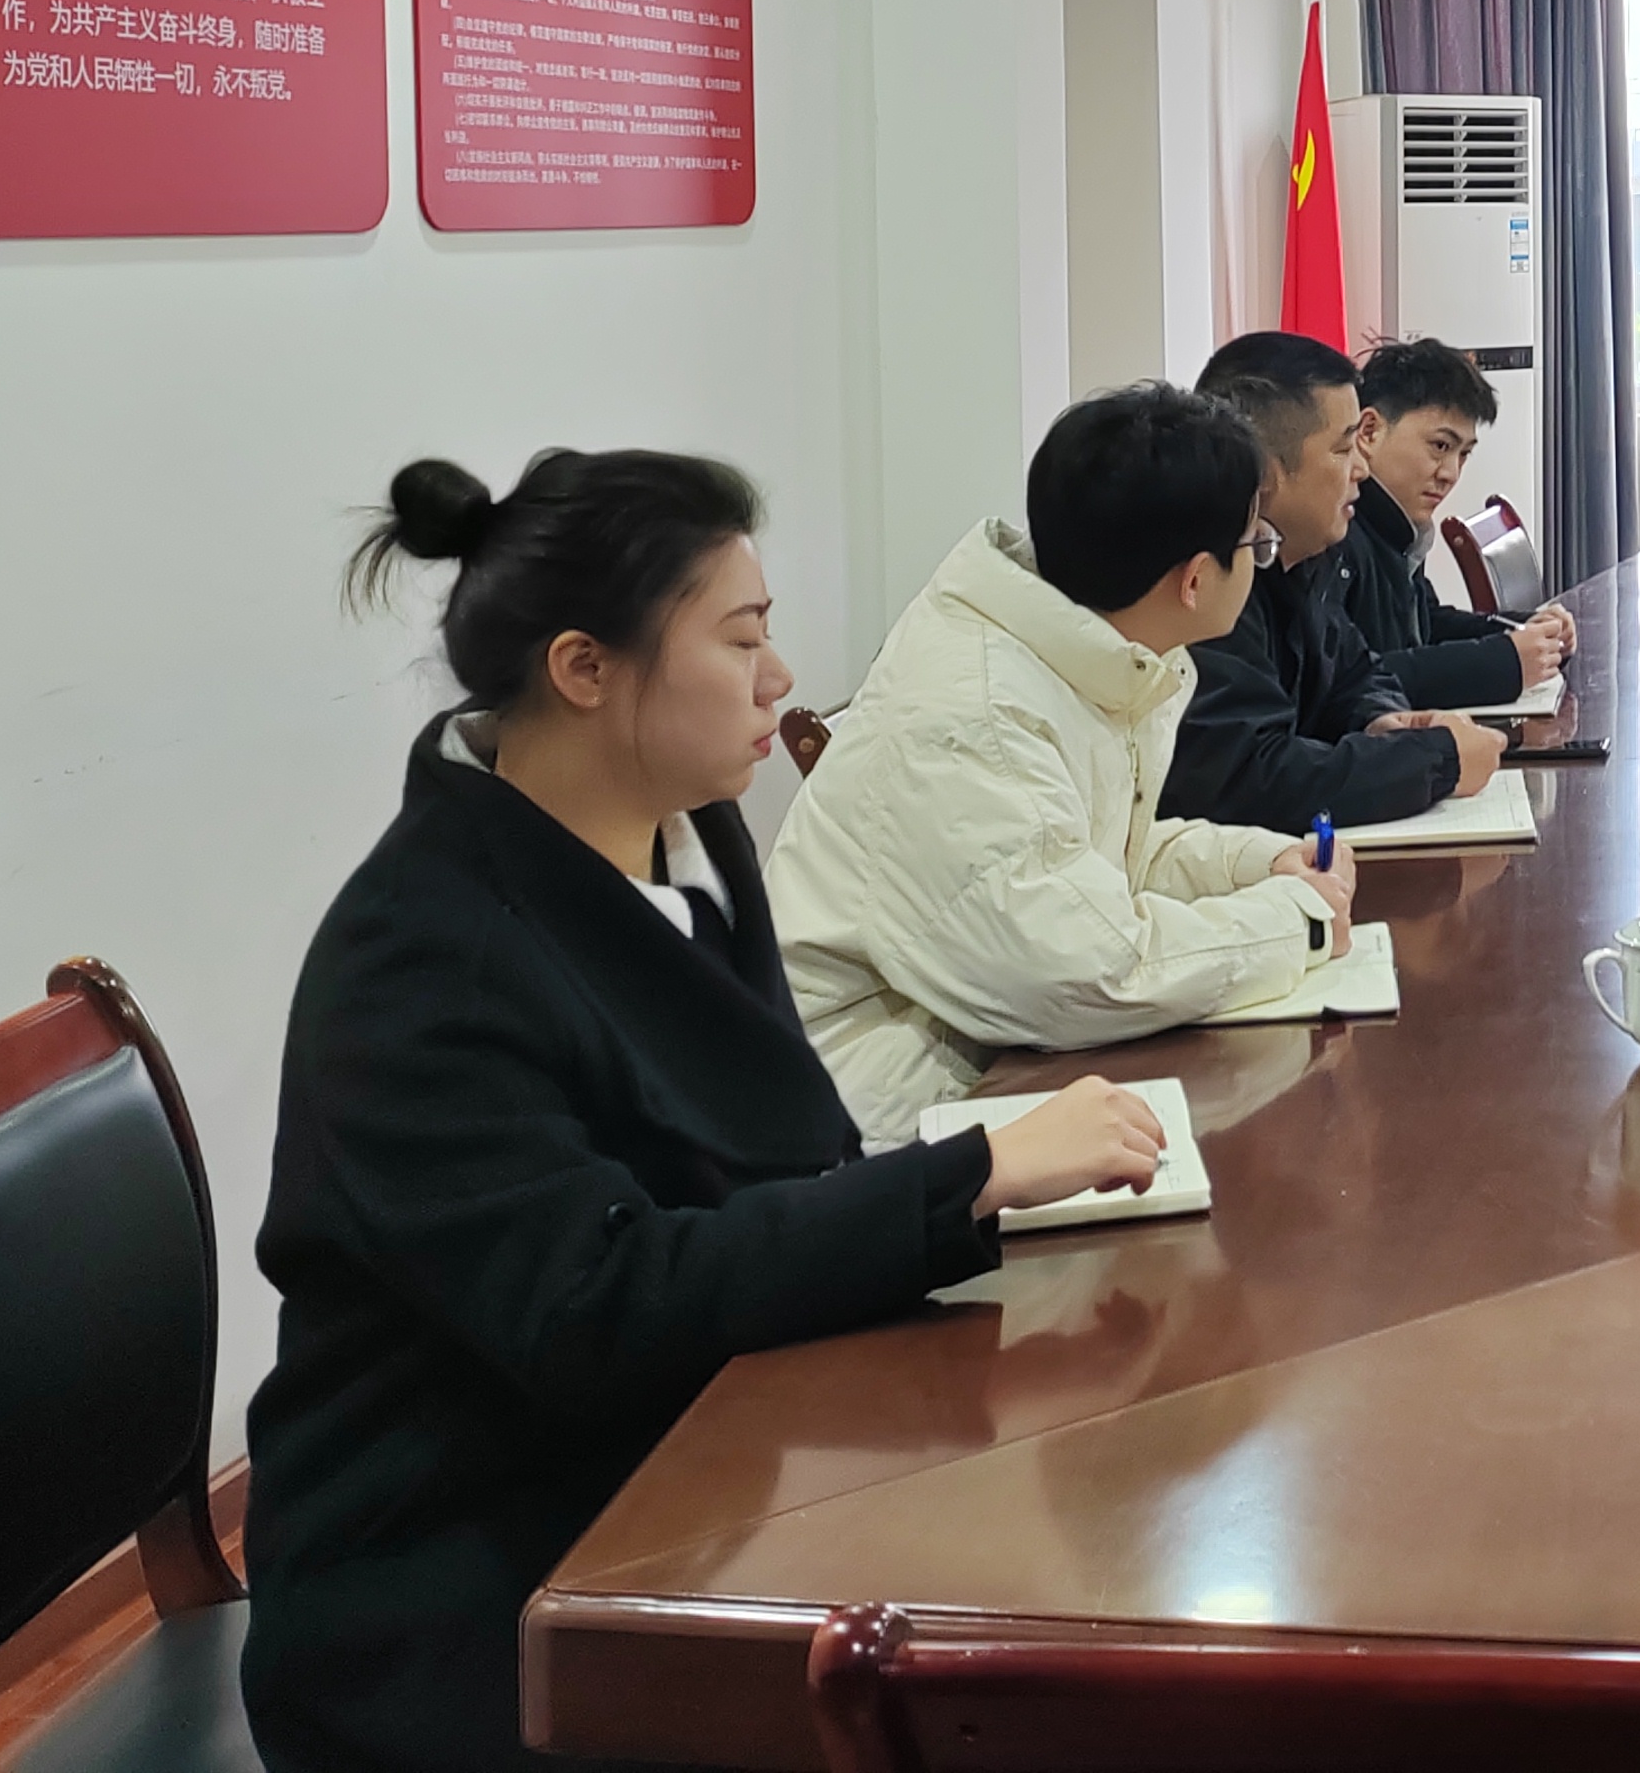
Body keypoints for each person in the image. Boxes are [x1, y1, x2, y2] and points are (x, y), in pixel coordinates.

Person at [246, 453, 1172, 1773]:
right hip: (477, 1584)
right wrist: (967, 1176)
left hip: (688, 1453)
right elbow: (595, 1304)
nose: (780, 679)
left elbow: (775, 1162)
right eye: (741, 640)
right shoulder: (424, 962)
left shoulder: (686, 832)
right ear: (585, 669)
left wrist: (955, 1191)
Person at [768, 385, 1363, 1144]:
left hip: (990, 1066)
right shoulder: (978, 714)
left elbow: (1099, 861)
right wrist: (1298, 920)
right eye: (1256, 545)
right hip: (876, 1130)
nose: (1262, 562)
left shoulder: (1085, 648)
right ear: (1193, 580)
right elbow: (1085, 974)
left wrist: (1259, 863)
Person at [1167, 330, 1501, 834]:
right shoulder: (1210, 578)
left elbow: (1357, 673)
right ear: (1264, 468)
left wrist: (1382, 720)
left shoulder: (1305, 557)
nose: (1362, 468)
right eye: (1344, 448)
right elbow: (1250, 780)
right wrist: (1435, 759)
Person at [1338, 334, 1574, 713]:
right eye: (1440, 446)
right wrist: (1503, 662)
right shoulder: (1336, 530)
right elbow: (1351, 680)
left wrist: (1525, 630)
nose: (1450, 473)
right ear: (1369, 432)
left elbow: (1427, 625)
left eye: (1463, 454)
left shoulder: (1396, 525)